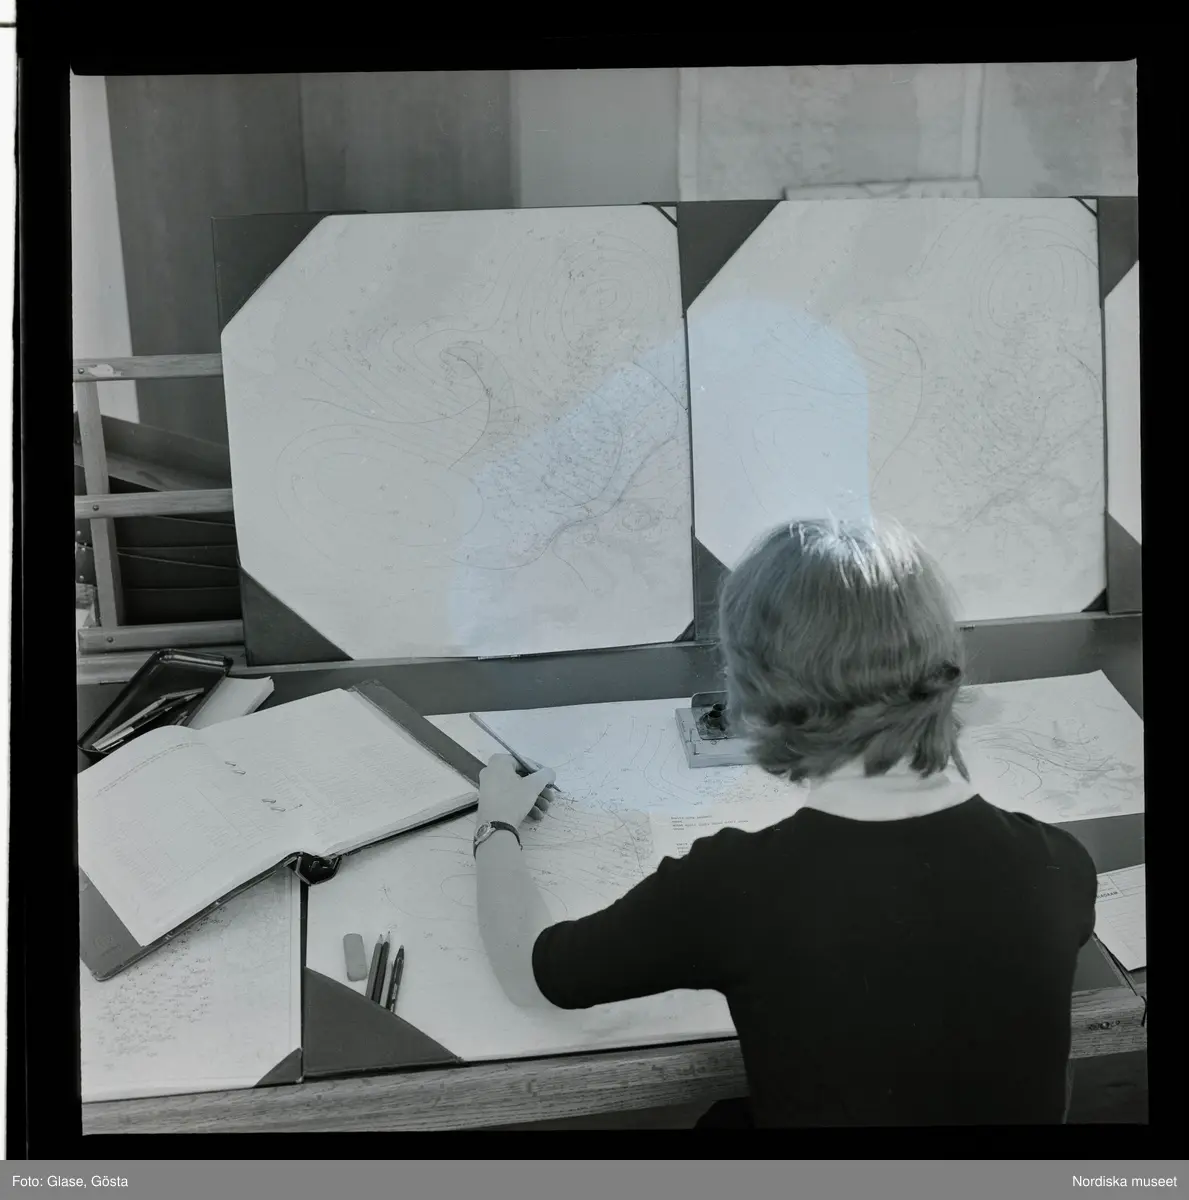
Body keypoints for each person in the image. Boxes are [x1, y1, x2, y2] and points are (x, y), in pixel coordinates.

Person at [473, 518, 1097, 1127]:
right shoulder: (1060, 864)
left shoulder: (734, 888)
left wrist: (495, 825)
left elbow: (533, 974)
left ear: (755, 695)